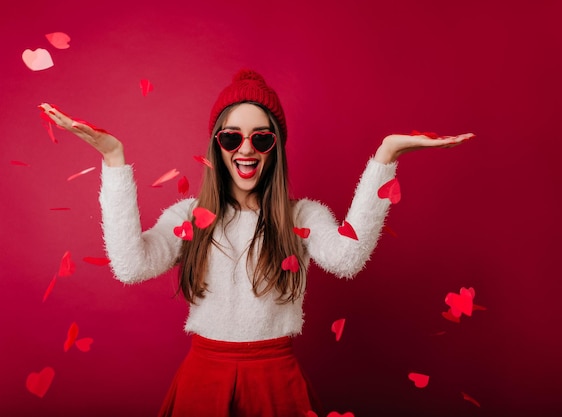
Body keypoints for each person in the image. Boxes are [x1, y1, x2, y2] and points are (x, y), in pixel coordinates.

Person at [39, 69, 473, 417]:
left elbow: (348, 258)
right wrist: (114, 160)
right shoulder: (191, 216)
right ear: (217, 144)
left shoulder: (302, 216)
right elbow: (131, 266)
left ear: (275, 147)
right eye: (231, 137)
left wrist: (385, 159)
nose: (245, 149)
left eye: (261, 137)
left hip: (276, 379)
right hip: (202, 380)